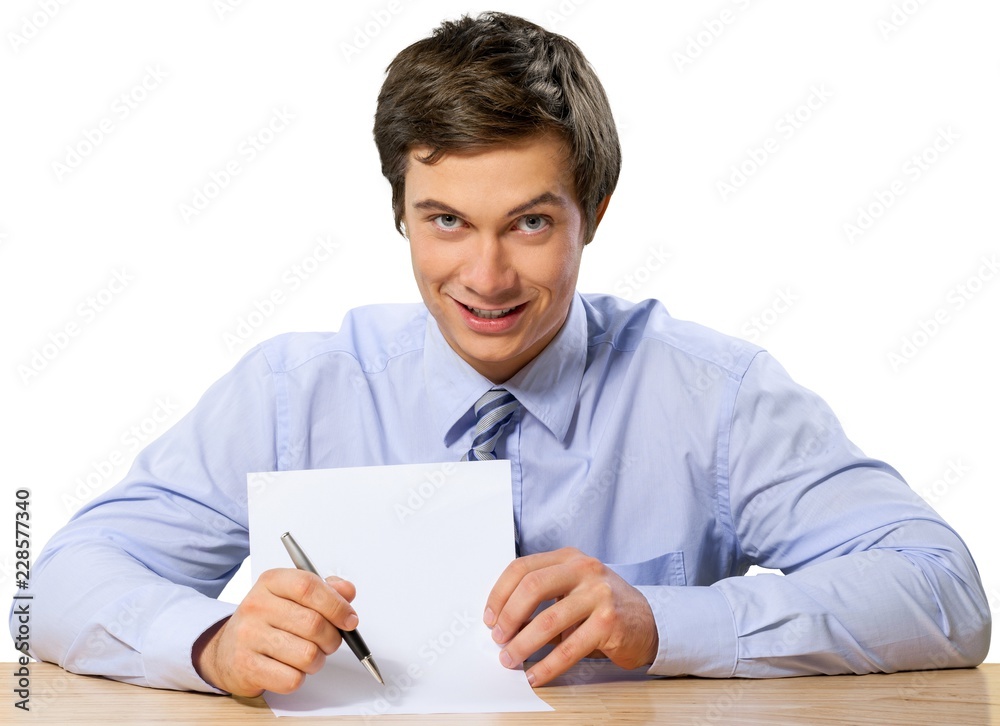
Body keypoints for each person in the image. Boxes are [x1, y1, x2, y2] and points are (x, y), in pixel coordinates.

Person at [12, 11, 990, 698]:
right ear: (400, 213)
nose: (484, 274)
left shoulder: (715, 397)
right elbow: (53, 581)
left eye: (527, 222)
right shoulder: (291, 392)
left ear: (592, 215)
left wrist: (663, 621)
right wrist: (212, 641)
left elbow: (941, 591)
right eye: (445, 221)